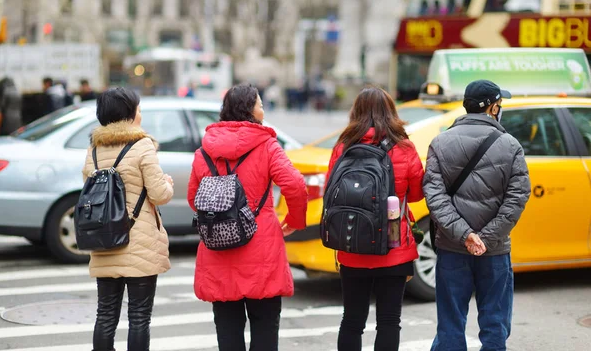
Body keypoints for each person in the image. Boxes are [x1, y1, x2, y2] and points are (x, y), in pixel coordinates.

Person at [187, 84, 308, 351]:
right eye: (259, 103)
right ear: (248, 109)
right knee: (265, 328)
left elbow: (194, 198)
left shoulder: (204, 151)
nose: (263, 107)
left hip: (218, 248)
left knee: (228, 332)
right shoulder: (267, 146)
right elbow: (295, 185)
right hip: (261, 246)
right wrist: (295, 220)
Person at [423, 80, 531, 351]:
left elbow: (435, 198)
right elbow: (517, 198)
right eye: (500, 104)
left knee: (450, 325)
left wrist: (465, 235)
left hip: (451, 248)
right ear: (493, 107)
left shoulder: (440, 142)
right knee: (495, 324)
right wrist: (486, 237)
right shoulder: (510, 145)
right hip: (494, 251)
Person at [326, 86, 425, 351]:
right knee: (389, 321)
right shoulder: (404, 147)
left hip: (351, 243)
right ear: (391, 112)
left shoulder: (343, 147)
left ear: (355, 112)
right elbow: (416, 195)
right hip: (393, 246)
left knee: (352, 320)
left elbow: (330, 191)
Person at [82, 87, 174, 351]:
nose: (141, 113)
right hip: (140, 242)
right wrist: (167, 183)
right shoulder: (142, 146)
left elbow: (89, 191)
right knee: (139, 317)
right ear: (129, 114)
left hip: (104, 240)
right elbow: (158, 194)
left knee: (106, 314)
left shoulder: (94, 150)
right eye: (139, 108)